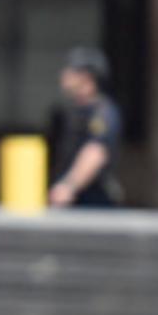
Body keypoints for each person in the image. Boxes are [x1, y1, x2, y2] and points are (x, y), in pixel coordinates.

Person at [48, 45, 126, 209]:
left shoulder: (102, 112)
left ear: (87, 77)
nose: (64, 75)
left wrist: (69, 186)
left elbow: (95, 151)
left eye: (71, 71)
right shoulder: (73, 111)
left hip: (93, 201)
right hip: (73, 201)